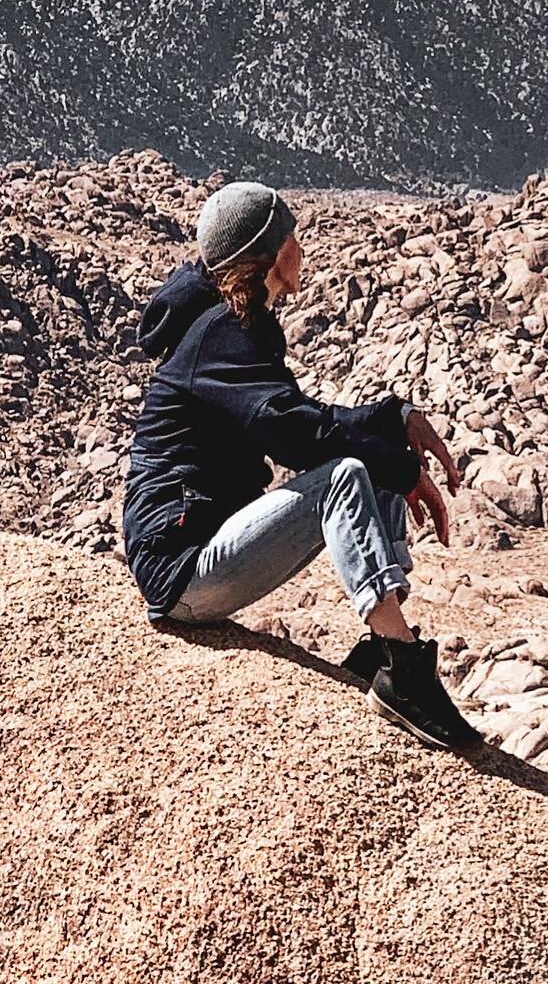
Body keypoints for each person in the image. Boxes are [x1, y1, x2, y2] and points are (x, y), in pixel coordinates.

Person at [122, 179, 480, 751]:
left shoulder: (240, 323)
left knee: (374, 457)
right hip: (182, 568)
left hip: (205, 544)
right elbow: (293, 435)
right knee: (350, 472)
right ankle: (403, 671)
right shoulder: (221, 330)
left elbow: (299, 416)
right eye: (291, 234)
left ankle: (379, 653)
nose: (300, 244)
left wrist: (394, 420)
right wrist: (398, 464)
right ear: (268, 250)